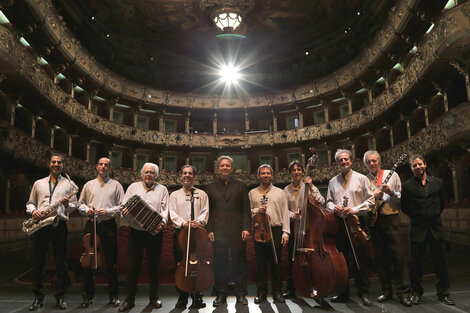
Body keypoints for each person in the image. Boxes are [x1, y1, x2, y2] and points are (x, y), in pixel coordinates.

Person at [26, 153, 78, 311]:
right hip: (41, 224)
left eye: (59, 162)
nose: (56, 164)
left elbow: (74, 207)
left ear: (63, 165)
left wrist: (68, 204)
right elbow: (30, 203)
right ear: (49, 164)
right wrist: (34, 211)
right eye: (53, 162)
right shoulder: (38, 183)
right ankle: (37, 297)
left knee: (61, 263)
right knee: (38, 262)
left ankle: (61, 297)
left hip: (59, 224)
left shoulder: (69, 184)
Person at [401, 154, 455, 306]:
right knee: (416, 263)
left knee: (441, 261)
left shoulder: (438, 183)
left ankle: (443, 293)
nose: (418, 167)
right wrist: (419, 216)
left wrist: (433, 214)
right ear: (411, 169)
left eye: (420, 164)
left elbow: (442, 203)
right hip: (418, 227)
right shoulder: (407, 186)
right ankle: (416, 293)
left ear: (425, 164)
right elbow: (405, 207)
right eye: (414, 165)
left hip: (436, 227)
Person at [326, 149, 374, 306]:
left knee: (360, 259)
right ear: (337, 163)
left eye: (346, 159)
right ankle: (343, 293)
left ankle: (364, 292)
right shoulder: (333, 181)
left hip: (356, 222)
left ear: (351, 161)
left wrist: (355, 209)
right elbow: (328, 201)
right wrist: (334, 207)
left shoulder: (361, 179)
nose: (344, 162)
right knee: (343, 261)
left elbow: (371, 201)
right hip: (340, 224)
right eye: (340, 160)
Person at [118, 163, 169, 312]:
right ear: (141, 174)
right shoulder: (133, 187)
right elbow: (124, 207)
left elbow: (165, 210)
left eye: (152, 173)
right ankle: (129, 300)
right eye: (146, 172)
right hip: (136, 232)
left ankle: (154, 298)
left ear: (156, 175)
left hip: (155, 233)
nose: (149, 174)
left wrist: (163, 223)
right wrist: (125, 214)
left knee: (154, 266)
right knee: (132, 266)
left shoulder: (163, 189)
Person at [364, 151, 411, 306]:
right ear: (366, 164)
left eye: (374, 161)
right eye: (369, 162)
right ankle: (386, 291)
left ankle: (403, 292)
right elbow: (363, 201)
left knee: (398, 256)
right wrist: (373, 196)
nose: (372, 163)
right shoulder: (364, 180)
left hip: (391, 218)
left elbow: (402, 197)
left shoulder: (392, 175)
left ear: (379, 161)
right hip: (374, 222)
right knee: (380, 259)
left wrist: (390, 192)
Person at [77, 157, 124, 308]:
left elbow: (123, 206)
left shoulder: (116, 185)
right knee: (89, 262)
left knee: (112, 263)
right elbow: (80, 205)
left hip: (109, 225)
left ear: (110, 168)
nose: (103, 167)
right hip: (91, 224)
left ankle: (114, 296)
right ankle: (87, 296)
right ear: (96, 167)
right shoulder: (88, 185)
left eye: (107, 165)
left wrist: (108, 211)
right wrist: (87, 210)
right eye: (101, 164)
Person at [205, 156, 251, 306]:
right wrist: (209, 229)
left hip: (238, 231)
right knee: (220, 263)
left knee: (239, 263)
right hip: (218, 232)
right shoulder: (210, 187)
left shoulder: (241, 186)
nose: (225, 168)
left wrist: (246, 228)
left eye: (227, 166)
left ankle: (241, 294)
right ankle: (221, 293)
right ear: (218, 169)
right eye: (222, 165)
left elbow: (246, 210)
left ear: (231, 168)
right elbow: (208, 211)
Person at [283, 160, 325, 299]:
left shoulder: (309, 187)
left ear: (302, 171)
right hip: (296, 230)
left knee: (313, 260)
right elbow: (284, 211)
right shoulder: (286, 190)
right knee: (293, 260)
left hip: (311, 231)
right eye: (294, 170)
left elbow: (321, 201)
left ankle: (317, 286)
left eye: (299, 169)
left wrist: (312, 185)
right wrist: (292, 215)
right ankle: (292, 288)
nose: (297, 172)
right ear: (290, 173)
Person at [169, 165, 209, 309]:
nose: (187, 175)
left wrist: (198, 222)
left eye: (190, 173)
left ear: (194, 176)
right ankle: (183, 296)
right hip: (180, 233)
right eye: (185, 173)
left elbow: (205, 211)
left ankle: (197, 295)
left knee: (198, 264)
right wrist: (183, 223)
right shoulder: (174, 195)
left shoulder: (202, 194)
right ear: (181, 176)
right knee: (181, 264)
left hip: (197, 234)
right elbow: (172, 213)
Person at [249, 164, 290, 304]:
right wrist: (256, 211)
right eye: (263, 173)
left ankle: (277, 291)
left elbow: (285, 213)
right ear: (258, 176)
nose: (265, 175)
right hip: (259, 230)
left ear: (272, 175)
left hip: (276, 230)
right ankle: (261, 292)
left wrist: (286, 232)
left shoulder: (280, 192)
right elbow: (247, 212)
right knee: (260, 264)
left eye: (268, 173)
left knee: (276, 263)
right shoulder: (252, 193)